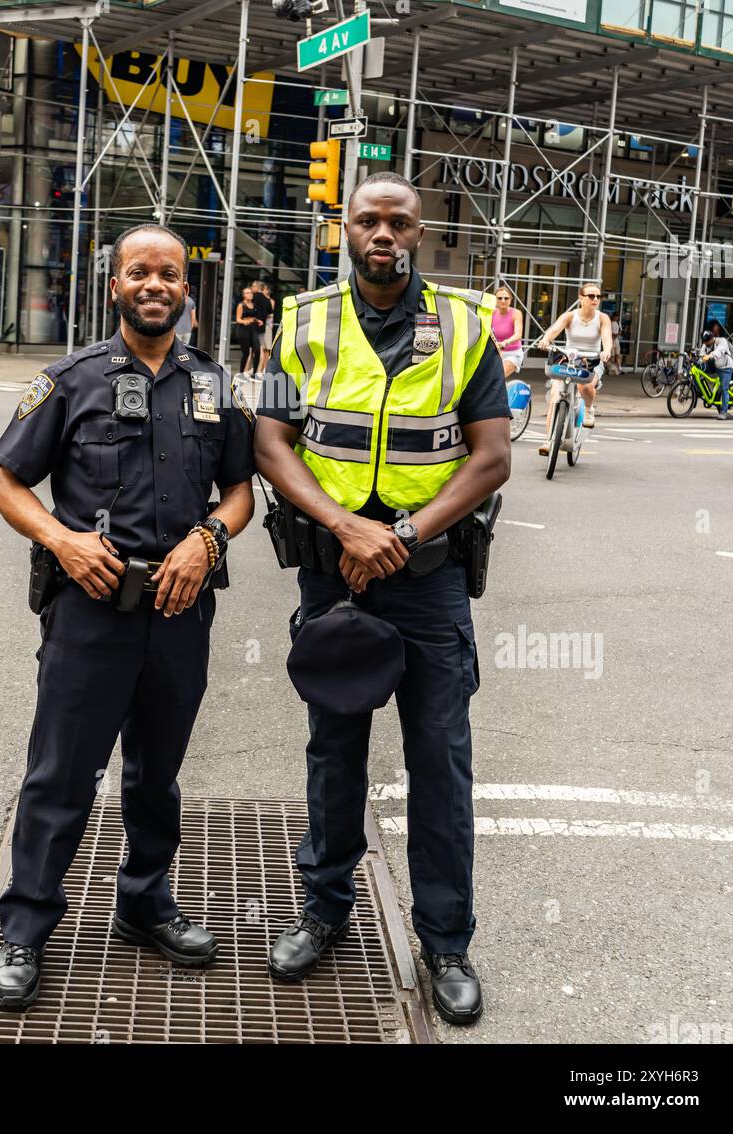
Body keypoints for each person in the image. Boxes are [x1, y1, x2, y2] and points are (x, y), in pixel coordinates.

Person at [254, 171, 511, 1024]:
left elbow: (490, 458)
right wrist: (343, 527)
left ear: (420, 232)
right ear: (344, 227)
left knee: (440, 765)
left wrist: (396, 536)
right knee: (335, 755)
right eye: (368, 219)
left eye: (399, 222)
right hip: (332, 574)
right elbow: (272, 442)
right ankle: (324, 912)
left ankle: (446, 944)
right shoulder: (302, 321)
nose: (383, 235)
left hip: (428, 581)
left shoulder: (469, 328)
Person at [0, 224, 256, 1011]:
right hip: (91, 612)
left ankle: (144, 902)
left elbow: (241, 491)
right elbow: (6, 484)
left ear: (185, 291)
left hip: (180, 611)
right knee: (61, 775)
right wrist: (63, 541)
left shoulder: (213, 384)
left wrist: (210, 540)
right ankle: (27, 928)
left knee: (157, 774)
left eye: (168, 274)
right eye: (139, 271)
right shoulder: (71, 380)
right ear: (115, 285)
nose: (154, 284)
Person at [535, 282, 612, 455]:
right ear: (581, 298)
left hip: (592, 359)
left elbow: (607, 337)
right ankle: (548, 440)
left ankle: (589, 409)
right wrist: (546, 340)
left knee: (584, 386)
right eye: (591, 296)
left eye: (598, 296)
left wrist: (606, 351)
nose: (595, 299)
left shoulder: (602, 318)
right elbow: (554, 330)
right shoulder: (570, 316)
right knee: (555, 396)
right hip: (569, 357)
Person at [700, 328, 733, 418]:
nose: (705, 344)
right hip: (715, 367)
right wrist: (700, 357)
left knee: (724, 388)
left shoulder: (722, 341)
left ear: (711, 339)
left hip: (726, 368)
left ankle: (724, 412)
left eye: (706, 342)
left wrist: (709, 356)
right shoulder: (706, 344)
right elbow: (702, 352)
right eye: (704, 342)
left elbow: (718, 352)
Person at [490, 284, 524, 378]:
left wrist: (506, 342)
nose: (503, 301)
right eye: (499, 298)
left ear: (510, 300)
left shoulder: (516, 313)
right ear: (495, 299)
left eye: (506, 298)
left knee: (498, 377)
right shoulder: (491, 313)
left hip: (513, 354)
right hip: (496, 353)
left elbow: (518, 334)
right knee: (489, 379)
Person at [251, 279, 275, 375]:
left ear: (257, 287)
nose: (252, 288)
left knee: (256, 350)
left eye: (253, 286)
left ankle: (256, 370)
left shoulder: (253, 297)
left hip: (252, 326)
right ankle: (259, 370)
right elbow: (270, 311)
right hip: (262, 327)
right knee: (261, 349)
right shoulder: (267, 299)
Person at [234, 285, 259, 375]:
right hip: (243, 330)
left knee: (257, 350)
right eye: (247, 293)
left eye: (250, 293)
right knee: (246, 353)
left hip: (253, 329)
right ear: (244, 295)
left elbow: (253, 317)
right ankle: (241, 373)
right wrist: (244, 322)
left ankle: (254, 374)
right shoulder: (241, 305)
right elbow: (238, 319)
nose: (250, 294)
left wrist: (257, 320)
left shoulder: (254, 304)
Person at [608, 311, 622, 375]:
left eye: (617, 317)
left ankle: (619, 368)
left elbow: (620, 331)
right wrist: (615, 334)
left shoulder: (618, 323)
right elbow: (610, 333)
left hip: (616, 340)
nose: (616, 318)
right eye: (615, 317)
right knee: (612, 355)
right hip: (611, 340)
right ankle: (613, 368)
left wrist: (618, 334)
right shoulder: (609, 323)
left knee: (617, 354)